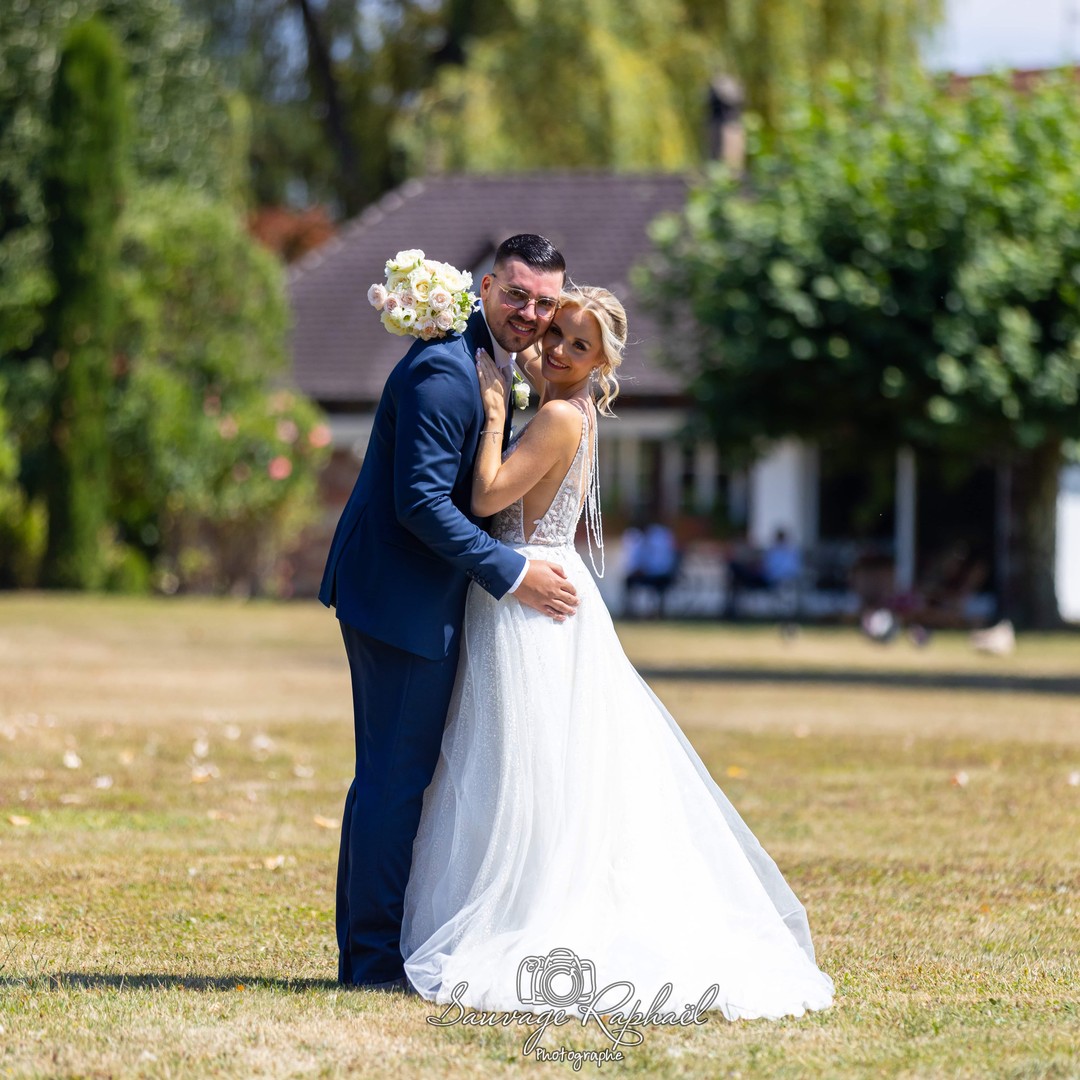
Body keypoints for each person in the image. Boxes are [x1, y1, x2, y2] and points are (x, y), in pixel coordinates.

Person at [400, 287, 834, 1020]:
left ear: (602, 363)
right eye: (558, 336)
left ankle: (527, 910)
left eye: (581, 346)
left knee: (524, 759)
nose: (560, 352)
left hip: (528, 598)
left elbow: (488, 497)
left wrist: (496, 414)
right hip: (536, 586)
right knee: (534, 760)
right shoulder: (569, 407)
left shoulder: (560, 416)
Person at [319, 235, 580, 990]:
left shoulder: (487, 363)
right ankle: (372, 964)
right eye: (517, 295)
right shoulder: (445, 371)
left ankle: (369, 951)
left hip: (411, 594)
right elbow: (422, 503)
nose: (530, 313)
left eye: (544, 303)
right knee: (395, 781)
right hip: (400, 599)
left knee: (390, 777)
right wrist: (513, 572)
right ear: (486, 286)